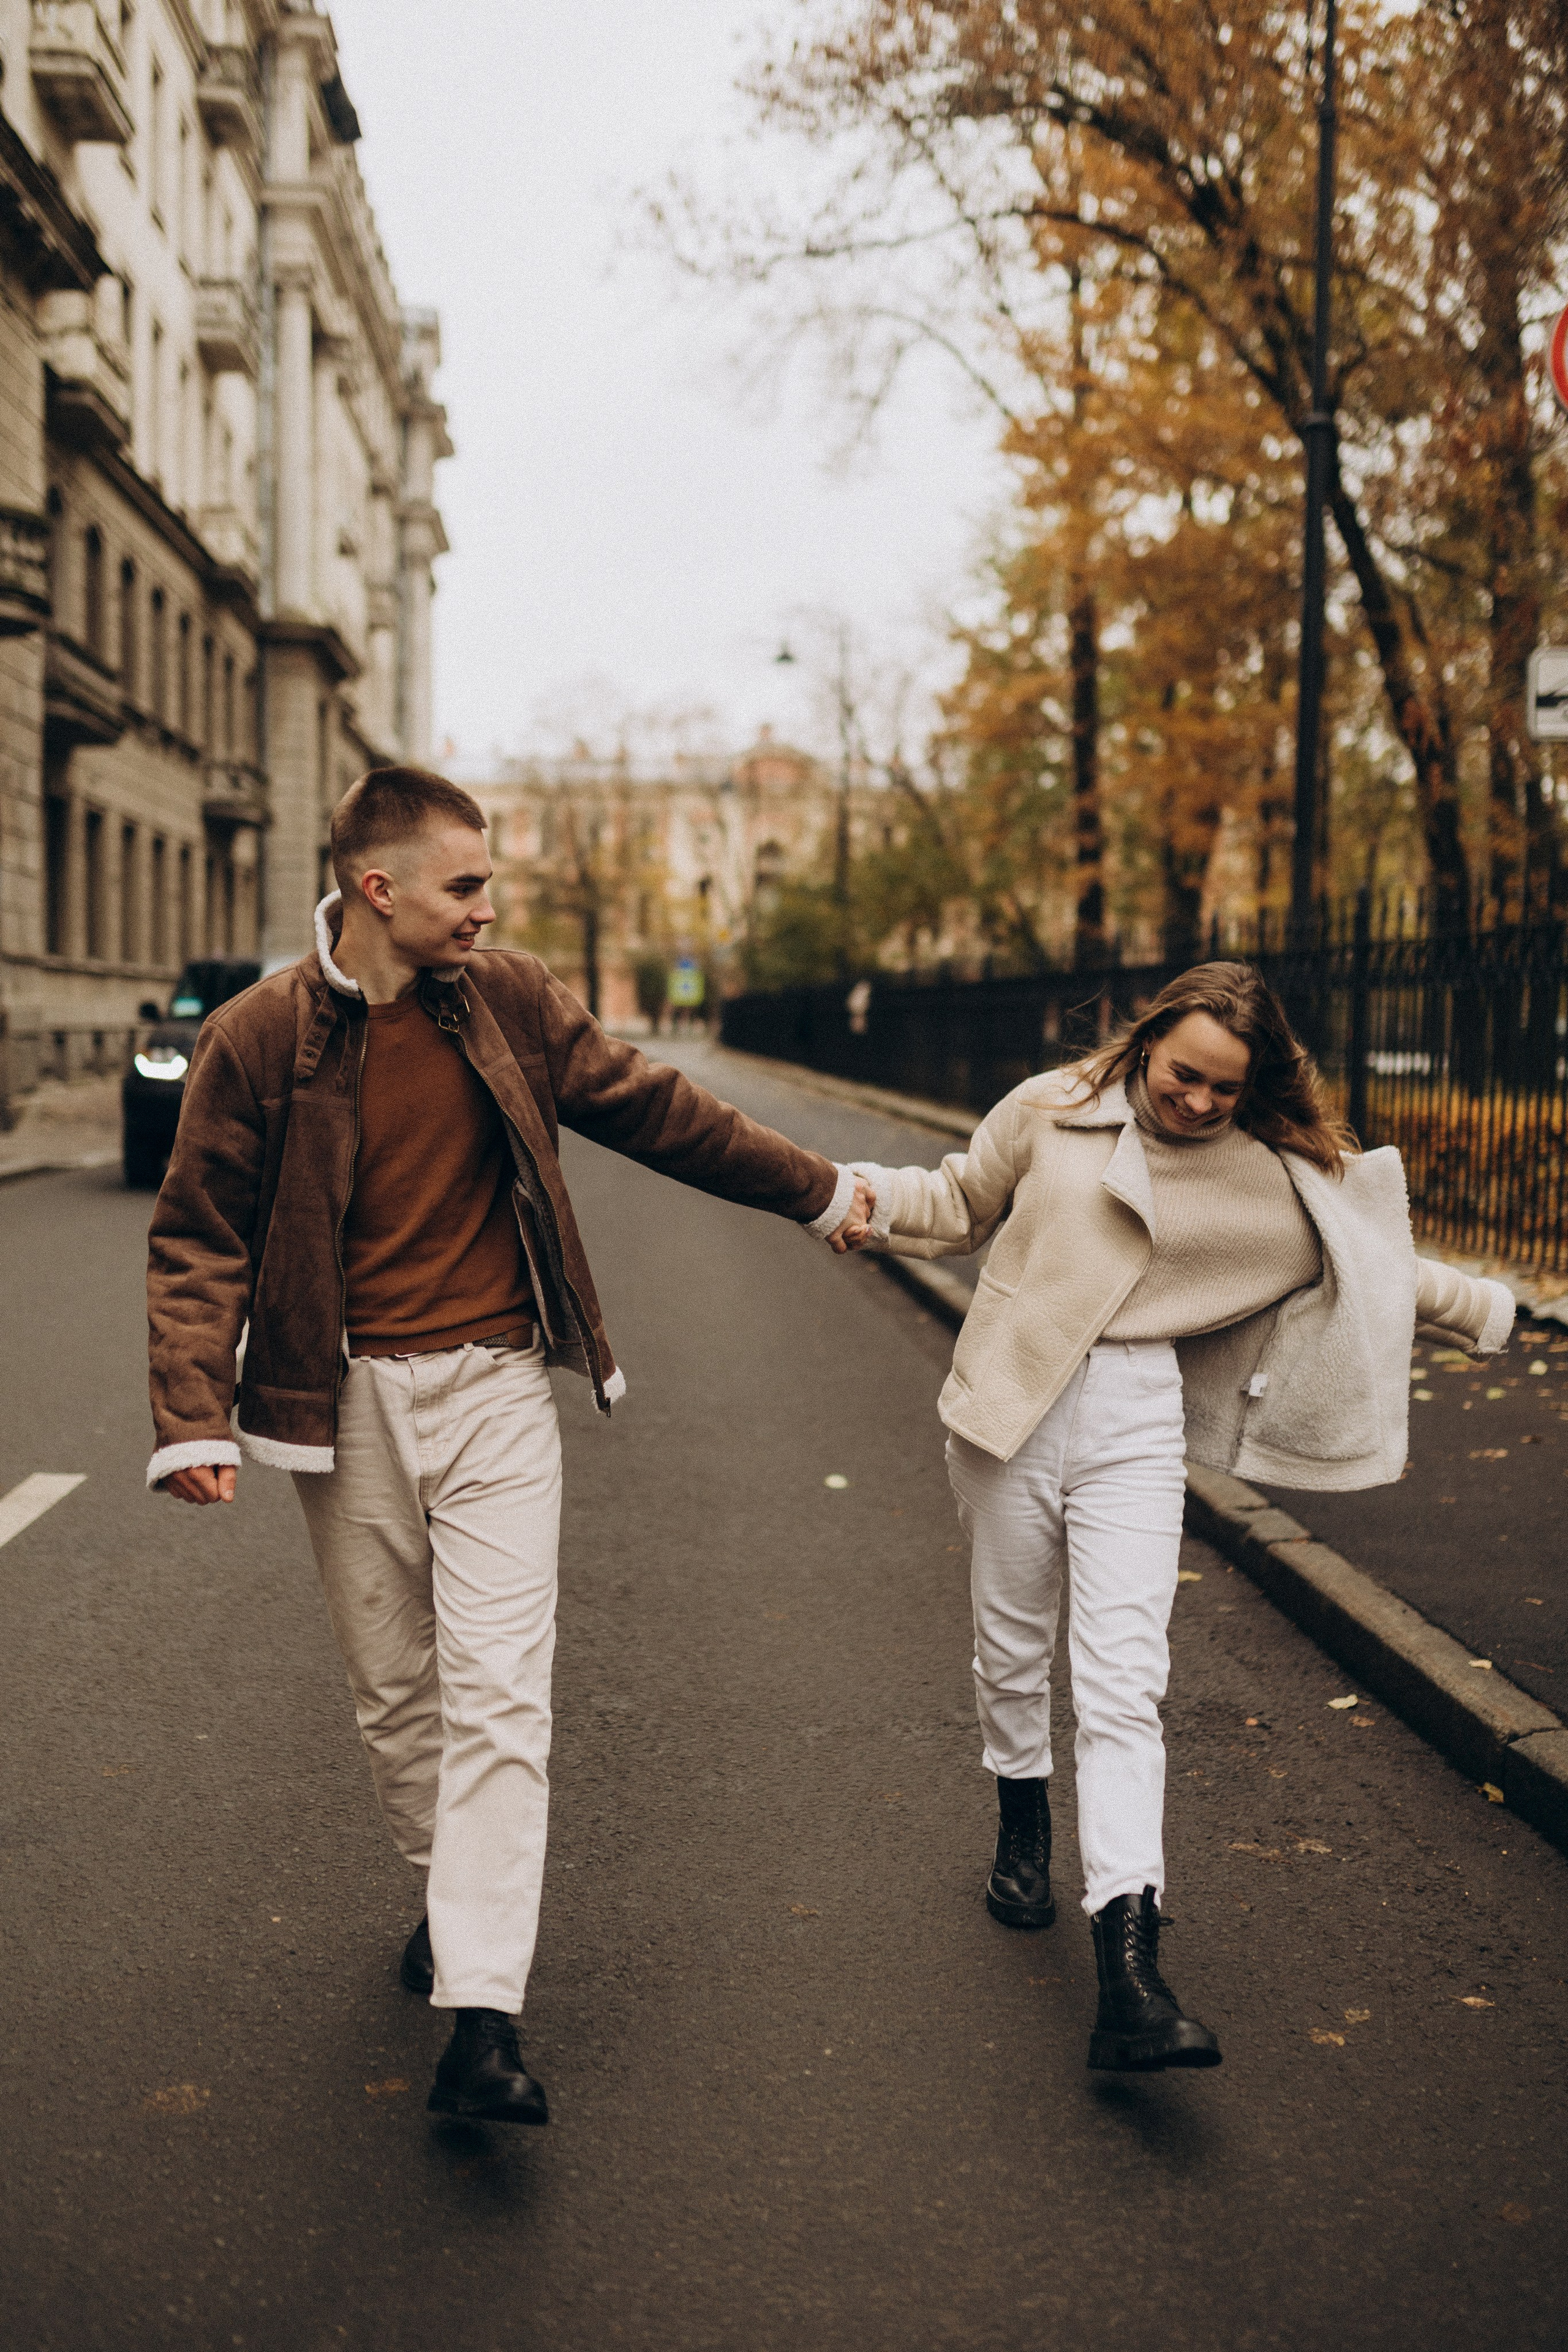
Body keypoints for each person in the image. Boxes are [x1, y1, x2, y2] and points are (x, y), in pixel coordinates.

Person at [145, 765, 872, 2125]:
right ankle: (451, 1896)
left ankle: (481, 2012)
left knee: (499, 1699)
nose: (488, 908)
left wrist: (822, 1188)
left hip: (493, 1392)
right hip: (342, 1401)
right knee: (397, 1699)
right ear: (380, 889)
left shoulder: (510, 1002)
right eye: (465, 885)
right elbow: (197, 1233)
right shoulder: (258, 1037)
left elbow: (656, 1107)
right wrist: (192, 1411)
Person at [843, 963, 1513, 2072]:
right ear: (1148, 1042)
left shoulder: (1270, 1175)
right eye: (1183, 1075)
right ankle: (1022, 1819)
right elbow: (960, 1202)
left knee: (1123, 1680)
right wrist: (857, 1196)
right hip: (1014, 1398)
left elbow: (1376, 1268)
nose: (1196, 1102)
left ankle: (1130, 1966)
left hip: (1137, 1420)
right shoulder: (1052, 1111)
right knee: (1013, 1643)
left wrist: (1489, 1310)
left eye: (1223, 1089)